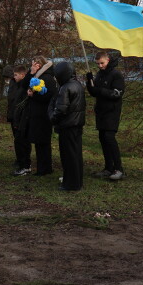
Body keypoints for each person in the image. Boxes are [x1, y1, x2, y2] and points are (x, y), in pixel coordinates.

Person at [86, 51, 126, 180]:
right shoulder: (100, 74)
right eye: (98, 63)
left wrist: (100, 90)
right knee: (103, 138)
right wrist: (89, 82)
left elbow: (116, 93)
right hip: (101, 111)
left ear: (107, 60)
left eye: (102, 63)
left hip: (112, 111)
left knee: (109, 137)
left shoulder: (116, 75)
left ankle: (118, 169)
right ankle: (108, 167)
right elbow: (94, 92)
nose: (100, 66)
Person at [51, 61, 86, 191]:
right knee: (76, 155)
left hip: (68, 126)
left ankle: (71, 184)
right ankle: (76, 181)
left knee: (68, 156)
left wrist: (52, 116)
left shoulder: (66, 87)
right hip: (76, 125)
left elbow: (61, 110)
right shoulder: (77, 84)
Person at [24, 56, 58, 176]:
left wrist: (34, 96)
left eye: (33, 65)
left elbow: (50, 95)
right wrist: (31, 73)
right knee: (39, 142)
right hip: (36, 113)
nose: (32, 67)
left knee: (43, 142)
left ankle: (44, 168)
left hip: (43, 114)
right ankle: (42, 167)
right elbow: (24, 84)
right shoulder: (37, 76)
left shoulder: (47, 77)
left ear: (39, 65)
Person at [7, 65, 31, 176]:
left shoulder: (25, 86)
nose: (14, 77)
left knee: (22, 142)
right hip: (15, 116)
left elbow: (21, 103)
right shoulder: (14, 84)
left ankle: (25, 165)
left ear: (23, 75)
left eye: (16, 75)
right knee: (18, 141)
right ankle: (22, 162)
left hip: (22, 118)